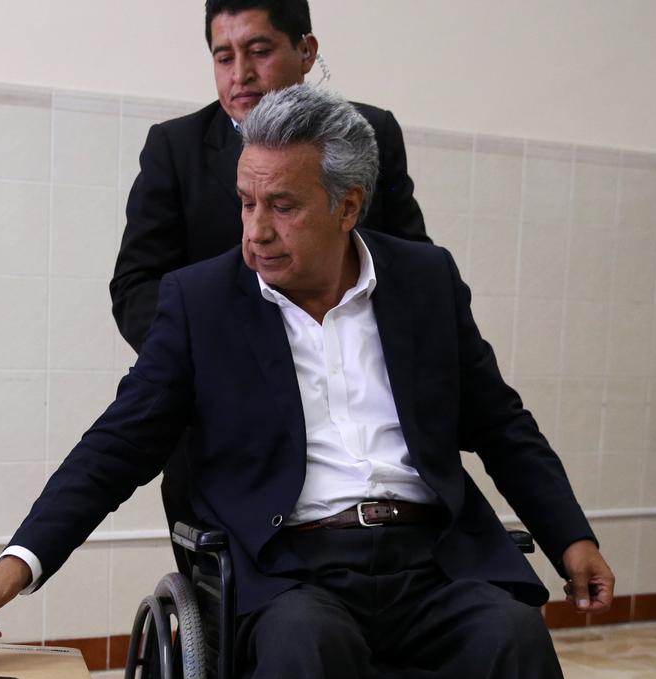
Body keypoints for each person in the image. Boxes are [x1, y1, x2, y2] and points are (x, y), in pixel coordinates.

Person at [0, 85, 615, 679]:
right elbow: (118, 443)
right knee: (303, 647)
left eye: (283, 206)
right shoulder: (202, 303)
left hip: (432, 560)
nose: (255, 231)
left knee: (514, 640)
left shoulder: (425, 281)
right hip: (293, 572)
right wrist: (20, 560)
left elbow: (500, 420)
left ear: (349, 206)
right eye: (245, 203)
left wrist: (570, 534)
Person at [113, 0, 432, 533]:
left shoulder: (369, 133)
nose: (240, 74)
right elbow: (135, 287)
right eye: (223, 57)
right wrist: (216, 358)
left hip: (353, 411)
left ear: (306, 51)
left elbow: (410, 270)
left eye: (259, 51)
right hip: (231, 430)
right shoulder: (176, 148)